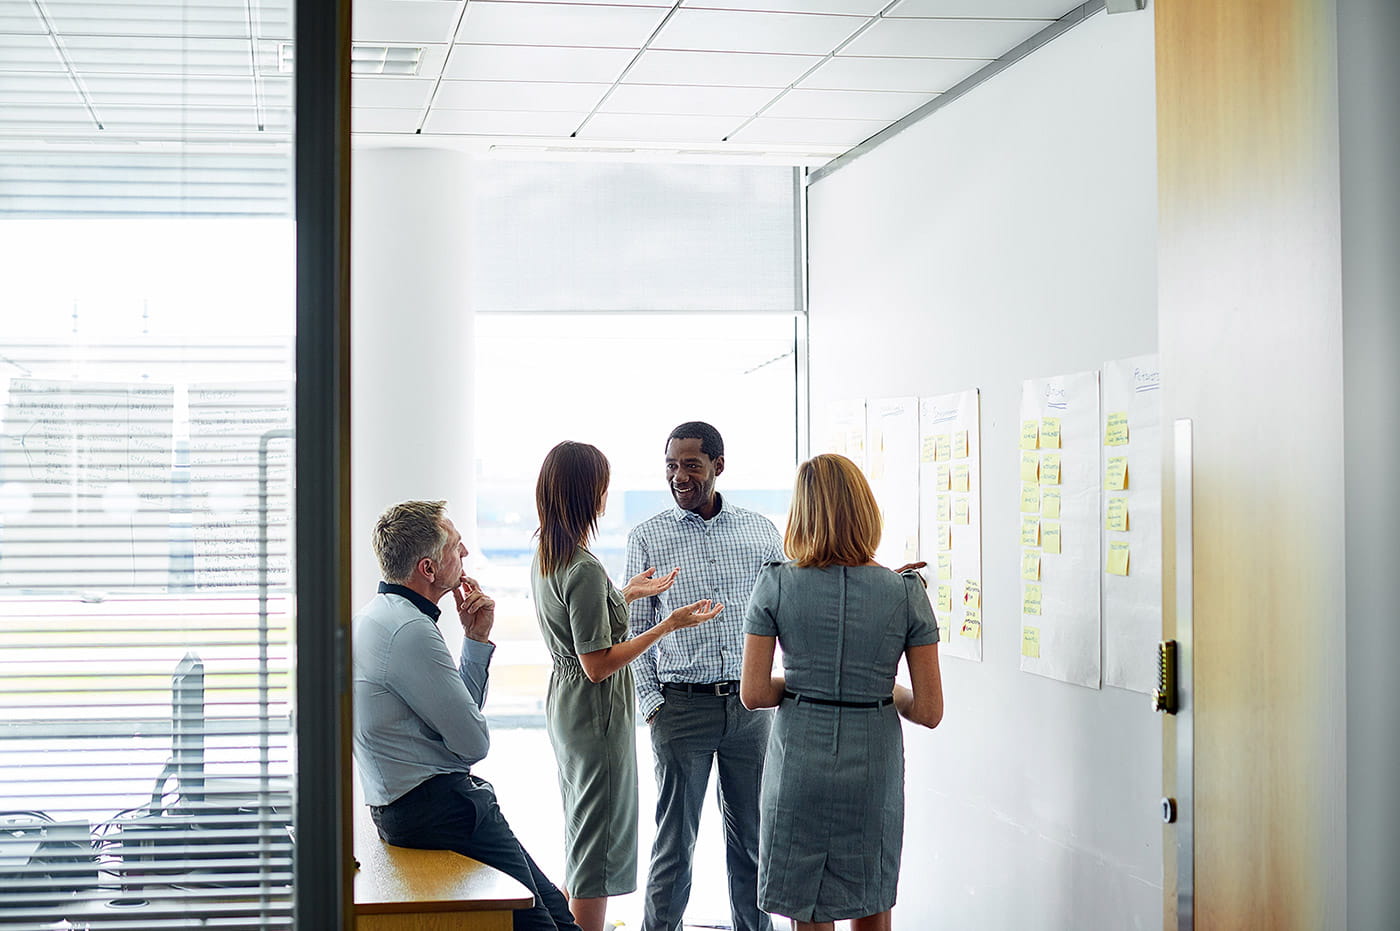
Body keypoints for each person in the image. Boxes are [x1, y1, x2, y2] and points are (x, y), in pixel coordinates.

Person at [352, 499, 581, 931]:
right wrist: (452, 743)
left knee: (554, 904)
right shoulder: (411, 632)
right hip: (439, 809)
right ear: (428, 568)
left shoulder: (378, 617)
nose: (466, 555)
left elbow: (461, 726)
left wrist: (476, 640)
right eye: (456, 547)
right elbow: (474, 743)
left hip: (409, 807)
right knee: (550, 925)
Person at [739, 454, 944, 931]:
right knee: (871, 898)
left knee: (807, 908)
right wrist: (877, 688)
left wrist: (807, 684)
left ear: (800, 513)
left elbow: (753, 693)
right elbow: (930, 710)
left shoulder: (775, 584)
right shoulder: (904, 591)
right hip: (873, 769)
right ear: (866, 509)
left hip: (799, 766)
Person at [529, 441, 724, 931]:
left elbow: (576, 630)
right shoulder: (585, 568)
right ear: (585, 494)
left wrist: (626, 593)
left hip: (567, 708)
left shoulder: (549, 555)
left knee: (582, 828)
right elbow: (597, 663)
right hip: (596, 713)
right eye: (601, 487)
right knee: (597, 846)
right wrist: (666, 626)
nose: (604, 497)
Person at [626, 421, 786, 931]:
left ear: (718, 465)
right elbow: (635, 628)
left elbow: (788, 608)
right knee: (674, 849)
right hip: (681, 710)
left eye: (691, 465)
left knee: (755, 844)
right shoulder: (647, 536)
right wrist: (653, 705)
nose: (679, 476)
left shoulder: (760, 530)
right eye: (671, 466)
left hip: (749, 709)